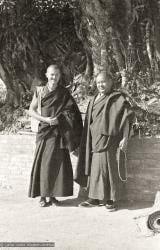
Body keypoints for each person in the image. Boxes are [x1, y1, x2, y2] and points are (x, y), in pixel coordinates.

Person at [74, 71, 135, 211]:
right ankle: (95, 198)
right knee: (95, 170)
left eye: (104, 82)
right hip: (94, 140)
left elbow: (126, 119)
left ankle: (110, 199)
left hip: (110, 140)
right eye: (98, 82)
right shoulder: (94, 98)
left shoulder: (117, 98)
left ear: (111, 82)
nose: (101, 85)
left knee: (109, 169)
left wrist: (125, 138)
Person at [28, 64, 83, 207]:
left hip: (59, 133)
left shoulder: (64, 93)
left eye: (57, 75)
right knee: (44, 164)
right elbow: (31, 111)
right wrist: (46, 119)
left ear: (60, 77)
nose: (54, 77)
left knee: (57, 165)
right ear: (46, 74)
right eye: (52, 74)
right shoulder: (39, 91)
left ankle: (52, 195)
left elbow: (72, 112)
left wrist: (61, 119)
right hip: (45, 131)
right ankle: (42, 195)